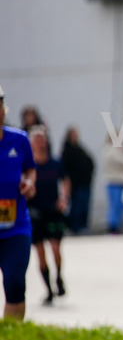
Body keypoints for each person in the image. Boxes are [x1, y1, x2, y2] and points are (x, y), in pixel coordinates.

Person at [0, 86, 36, 321]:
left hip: (16, 227)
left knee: (14, 283)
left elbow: (30, 169)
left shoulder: (19, 139)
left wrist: (29, 183)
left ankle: (10, 335)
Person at [27, 127, 69, 304]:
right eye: (36, 139)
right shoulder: (28, 166)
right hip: (35, 212)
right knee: (40, 252)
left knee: (55, 247)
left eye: (42, 138)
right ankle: (48, 290)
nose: (40, 142)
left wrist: (64, 198)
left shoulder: (55, 163)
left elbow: (65, 180)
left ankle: (58, 277)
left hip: (53, 211)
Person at [61, 126, 95, 234]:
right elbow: (66, 168)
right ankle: (75, 226)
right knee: (76, 206)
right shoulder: (67, 151)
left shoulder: (80, 148)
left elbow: (89, 161)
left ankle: (83, 226)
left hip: (85, 182)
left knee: (85, 206)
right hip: (76, 184)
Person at [102, 134, 123, 234]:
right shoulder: (112, 151)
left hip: (122, 182)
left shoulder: (122, 150)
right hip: (115, 182)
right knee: (115, 205)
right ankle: (113, 226)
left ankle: (118, 224)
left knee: (121, 206)